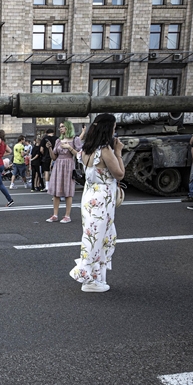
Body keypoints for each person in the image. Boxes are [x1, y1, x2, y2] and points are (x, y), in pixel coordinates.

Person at [69, 114, 125, 293]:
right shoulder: (105, 150)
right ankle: (89, 279)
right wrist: (119, 152)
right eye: (114, 127)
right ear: (108, 129)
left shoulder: (87, 149)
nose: (115, 131)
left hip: (89, 194)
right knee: (100, 236)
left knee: (95, 234)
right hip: (102, 197)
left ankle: (97, 277)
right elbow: (119, 174)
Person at [46, 121, 82, 223]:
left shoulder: (76, 139)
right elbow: (53, 157)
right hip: (58, 165)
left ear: (68, 128)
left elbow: (79, 155)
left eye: (62, 127)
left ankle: (67, 215)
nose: (60, 129)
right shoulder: (58, 140)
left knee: (68, 191)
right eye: (60, 127)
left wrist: (69, 147)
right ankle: (55, 214)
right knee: (57, 191)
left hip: (69, 165)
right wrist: (49, 148)